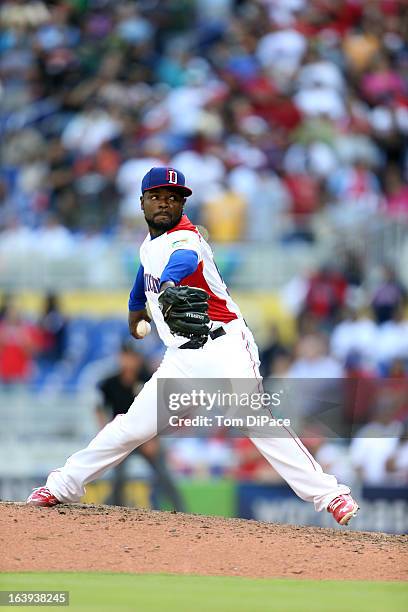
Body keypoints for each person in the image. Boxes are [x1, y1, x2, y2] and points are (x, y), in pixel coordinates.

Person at [27, 166, 359, 526]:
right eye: (157, 196)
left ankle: (332, 495)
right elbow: (145, 271)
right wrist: (135, 308)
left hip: (224, 346)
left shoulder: (187, 239)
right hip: (181, 360)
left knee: (251, 419)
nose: (165, 203)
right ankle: (60, 487)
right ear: (141, 202)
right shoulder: (149, 245)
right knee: (129, 427)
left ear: (182, 204)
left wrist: (169, 283)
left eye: (174, 197)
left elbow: (180, 261)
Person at [96, 340, 184, 510]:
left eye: (133, 357)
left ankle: (182, 512)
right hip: (123, 437)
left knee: (163, 475)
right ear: (120, 358)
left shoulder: (148, 379)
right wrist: (106, 432)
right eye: (126, 356)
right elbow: (98, 409)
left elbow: (160, 409)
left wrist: (154, 438)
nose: (129, 361)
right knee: (118, 476)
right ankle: (115, 511)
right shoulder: (110, 383)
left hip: (147, 436)